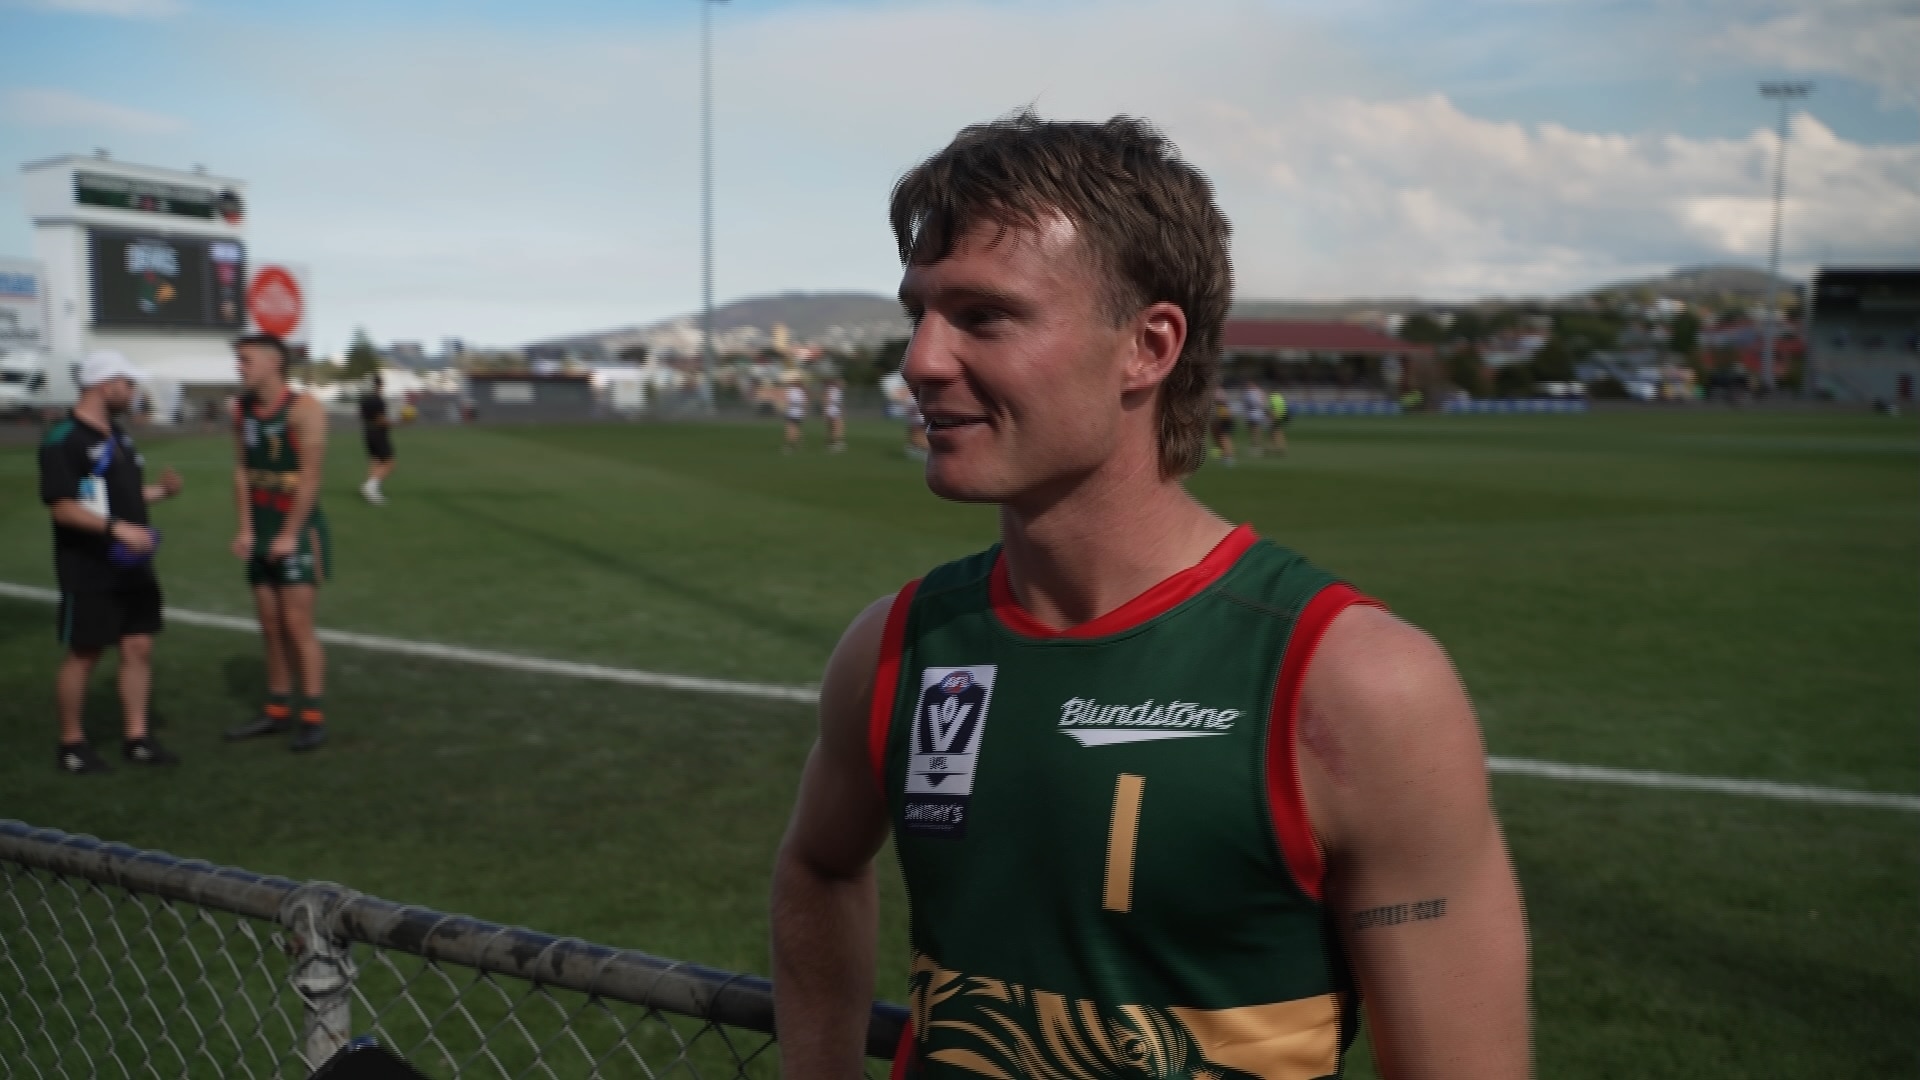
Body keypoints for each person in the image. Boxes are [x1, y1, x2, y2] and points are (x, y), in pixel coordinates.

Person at [770, 114, 1530, 1079]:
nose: (920, 359)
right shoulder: (901, 645)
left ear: (1148, 346)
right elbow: (819, 865)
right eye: (916, 312)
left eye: (984, 315)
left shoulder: (1355, 684)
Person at [38, 351, 184, 773]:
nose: (133, 390)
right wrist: (118, 529)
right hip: (89, 563)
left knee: (139, 645)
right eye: (128, 382)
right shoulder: (64, 439)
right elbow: (62, 508)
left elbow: (123, 496)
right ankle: (71, 744)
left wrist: (161, 492)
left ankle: (136, 738)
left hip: (132, 561)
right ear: (106, 385)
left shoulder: (119, 435)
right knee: (85, 652)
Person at [223, 333, 332, 752]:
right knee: (269, 626)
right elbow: (242, 472)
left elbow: (310, 479)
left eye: (246, 359)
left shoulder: (306, 410)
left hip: (298, 531)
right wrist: (247, 529)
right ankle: (277, 710)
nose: (240, 367)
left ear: (273, 363)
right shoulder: (241, 410)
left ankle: (313, 716)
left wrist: (289, 534)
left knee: (297, 625)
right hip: (263, 527)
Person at [358, 373, 395, 504]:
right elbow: (381, 421)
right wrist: (399, 422)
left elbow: (363, 417)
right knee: (389, 463)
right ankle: (369, 487)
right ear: (378, 385)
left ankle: (372, 491)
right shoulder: (378, 400)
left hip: (368, 432)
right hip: (378, 434)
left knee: (376, 461)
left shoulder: (364, 400)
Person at [1211, 383, 1238, 466]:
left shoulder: (1217, 391)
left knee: (1223, 436)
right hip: (1220, 416)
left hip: (1223, 416)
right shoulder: (1215, 390)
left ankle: (1228, 456)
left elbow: (1222, 403)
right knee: (1218, 436)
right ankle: (1224, 454)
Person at [1243, 381, 1271, 458]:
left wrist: (1266, 411)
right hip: (1255, 413)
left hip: (1255, 414)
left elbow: (1260, 403)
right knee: (1254, 431)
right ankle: (1257, 445)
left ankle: (1257, 446)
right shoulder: (1255, 392)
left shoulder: (1253, 393)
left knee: (1255, 430)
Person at [783, 378, 809, 453]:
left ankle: (790, 445)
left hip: (791, 411)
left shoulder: (790, 390)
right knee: (797, 428)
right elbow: (805, 402)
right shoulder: (802, 391)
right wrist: (804, 412)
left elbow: (787, 401)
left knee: (790, 428)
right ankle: (797, 444)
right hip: (799, 411)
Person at [823, 377, 848, 453]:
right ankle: (836, 443)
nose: (843, 384)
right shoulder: (834, 390)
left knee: (832, 428)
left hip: (833, 410)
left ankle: (831, 443)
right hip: (833, 410)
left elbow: (839, 402)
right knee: (837, 427)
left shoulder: (834, 390)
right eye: (842, 383)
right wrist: (826, 411)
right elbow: (827, 400)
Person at [1269, 385, 1291, 456]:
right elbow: (1284, 407)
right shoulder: (1280, 397)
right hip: (1282, 416)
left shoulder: (1272, 397)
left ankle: (1278, 448)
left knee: (1274, 433)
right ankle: (1280, 447)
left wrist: (1272, 417)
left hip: (1276, 416)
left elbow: (1272, 408)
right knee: (1278, 432)